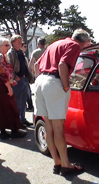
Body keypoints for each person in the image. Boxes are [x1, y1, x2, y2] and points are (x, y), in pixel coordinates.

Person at [34, 28, 90, 175]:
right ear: (85, 42)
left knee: (49, 126)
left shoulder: (56, 43)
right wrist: (66, 86)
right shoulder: (75, 46)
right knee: (58, 127)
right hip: (54, 82)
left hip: (40, 81)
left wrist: (40, 81)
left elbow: (34, 65)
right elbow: (62, 65)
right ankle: (66, 165)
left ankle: (57, 163)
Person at [0, 37, 27, 139]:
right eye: (6, 45)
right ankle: (13, 130)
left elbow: (4, 73)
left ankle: (4, 132)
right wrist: (9, 86)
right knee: (10, 108)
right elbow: (1, 74)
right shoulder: (0, 57)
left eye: (8, 45)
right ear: (0, 46)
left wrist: (11, 81)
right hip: (1, 86)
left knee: (2, 109)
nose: (8, 47)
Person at [7, 35, 34, 128]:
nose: (20, 43)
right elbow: (9, 67)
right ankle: (17, 121)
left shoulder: (20, 52)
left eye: (20, 41)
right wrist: (15, 77)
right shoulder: (11, 53)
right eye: (18, 41)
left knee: (23, 101)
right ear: (13, 42)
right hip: (17, 80)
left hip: (24, 79)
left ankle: (22, 119)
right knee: (17, 102)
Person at [22, 42, 34, 112]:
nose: (26, 48)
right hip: (22, 78)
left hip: (26, 78)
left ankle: (30, 106)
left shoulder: (25, 57)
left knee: (28, 92)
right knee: (26, 93)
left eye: (26, 47)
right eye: (24, 47)